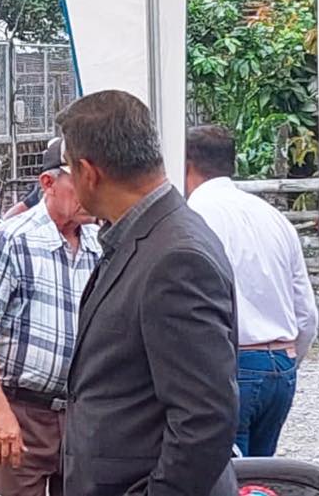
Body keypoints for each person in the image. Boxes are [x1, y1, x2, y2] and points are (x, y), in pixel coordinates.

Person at [57, 90, 239, 496]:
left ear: (88, 172)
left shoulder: (175, 257)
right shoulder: (144, 236)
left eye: (68, 166)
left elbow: (205, 419)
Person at [0, 138, 100, 496]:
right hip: (20, 408)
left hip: (83, 414)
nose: (91, 191)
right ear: (48, 183)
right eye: (79, 179)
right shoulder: (11, 240)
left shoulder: (101, 244)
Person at [186, 124, 319, 457]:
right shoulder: (273, 217)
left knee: (230, 473)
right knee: (263, 474)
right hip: (281, 364)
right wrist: (288, 359)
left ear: (186, 164)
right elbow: (306, 313)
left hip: (234, 362)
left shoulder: (193, 219)